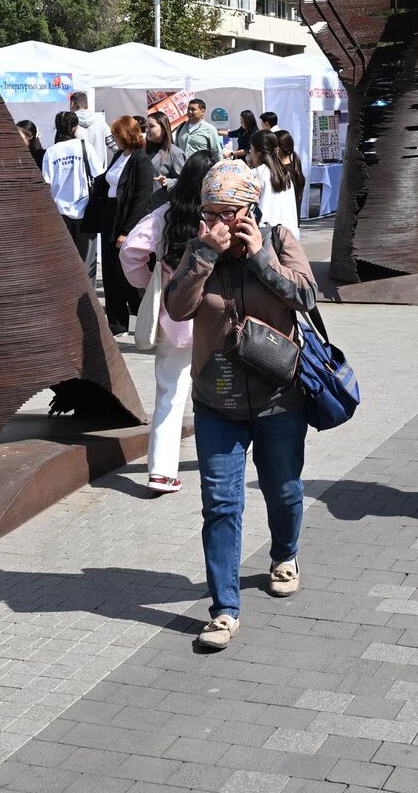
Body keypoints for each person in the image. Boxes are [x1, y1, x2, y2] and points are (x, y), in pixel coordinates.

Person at [165, 159, 320, 651]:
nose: (221, 221)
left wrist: (260, 260)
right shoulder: (198, 251)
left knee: (284, 490)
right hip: (217, 399)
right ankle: (224, 609)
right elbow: (177, 308)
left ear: (251, 208)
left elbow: (307, 297)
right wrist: (205, 256)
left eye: (231, 211)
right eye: (212, 211)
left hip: (279, 396)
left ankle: (284, 553)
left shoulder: (278, 240)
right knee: (221, 504)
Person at [120, 149, 218, 494]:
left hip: (173, 318)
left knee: (169, 395)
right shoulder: (223, 218)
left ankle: (161, 471)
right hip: (215, 319)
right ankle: (219, 457)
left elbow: (130, 251)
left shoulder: (165, 215)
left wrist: (149, 284)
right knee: (215, 395)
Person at [100, 116, 156, 334]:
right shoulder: (118, 155)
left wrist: (126, 230)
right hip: (110, 217)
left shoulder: (141, 160)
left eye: (117, 134)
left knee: (128, 272)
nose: (114, 139)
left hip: (127, 220)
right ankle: (116, 323)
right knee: (110, 273)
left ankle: (143, 316)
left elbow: (141, 198)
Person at [43, 111, 96, 249]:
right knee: (85, 259)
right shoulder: (85, 146)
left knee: (64, 259)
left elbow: (46, 184)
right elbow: (99, 175)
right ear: (75, 128)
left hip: (59, 213)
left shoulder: (51, 152)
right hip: (85, 210)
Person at [247, 129, 300, 233]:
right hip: (289, 234)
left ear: (258, 152)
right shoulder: (285, 173)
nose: (250, 152)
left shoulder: (256, 174)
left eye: (251, 148)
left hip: (265, 236)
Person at [143, 112, 186, 197]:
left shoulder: (175, 153)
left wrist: (167, 182)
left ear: (163, 129)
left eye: (151, 126)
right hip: (140, 204)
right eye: (146, 127)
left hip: (159, 204)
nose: (147, 130)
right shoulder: (141, 150)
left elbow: (184, 181)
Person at [172, 97, 222, 162]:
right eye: (188, 109)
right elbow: (176, 149)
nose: (189, 112)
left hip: (201, 170)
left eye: (193, 109)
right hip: (182, 169)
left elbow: (216, 152)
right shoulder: (181, 127)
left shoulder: (210, 129)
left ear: (202, 112)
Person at [276, 131, 308, 221]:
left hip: (285, 224)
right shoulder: (295, 169)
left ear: (278, 149)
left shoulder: (284, 173)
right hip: (293, 223)